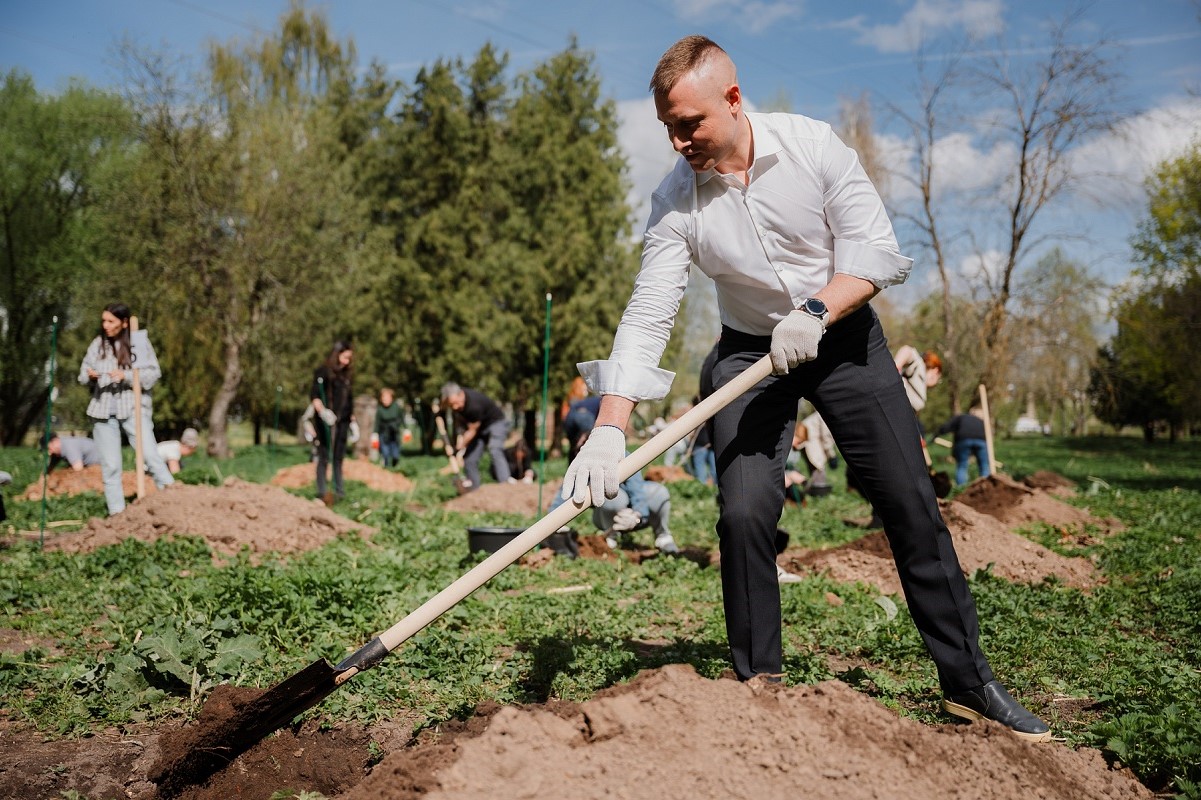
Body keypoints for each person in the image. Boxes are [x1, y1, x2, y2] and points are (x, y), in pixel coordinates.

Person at [561, 36, 1049, 742]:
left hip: (842, 336)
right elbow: (648, 313)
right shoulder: (676, 202)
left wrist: (816, 309)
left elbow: (875, 252)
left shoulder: (813, 146)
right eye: (667, 126)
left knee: (911, 505)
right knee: (744, 517)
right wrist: (609, 426)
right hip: (745, 354)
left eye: (689, 123)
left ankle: (968, 684)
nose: (677, 141)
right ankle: (759, 687)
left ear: (732, 99)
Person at [78, 303, 174, 515]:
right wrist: (90, 375)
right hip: (102, 411)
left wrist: (127, 376)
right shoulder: (98, 344)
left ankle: (173, 501)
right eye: (103, 320)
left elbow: (152, 373)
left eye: (110, 321)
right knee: (111, 466)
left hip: (132, 408)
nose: (105, 325)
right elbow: (83, 372)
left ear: (123, 322)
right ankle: (118, 515)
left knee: (151, 456)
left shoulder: (138, 342)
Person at [440, 383, 511, 489]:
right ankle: (474, 490)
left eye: (455, 403)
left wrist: (458, 448)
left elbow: (472, 431)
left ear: (460, 394)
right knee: (469, 459)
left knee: (495, 449)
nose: (454, 407)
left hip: (496, 423)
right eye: (451, 405)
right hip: (480, 428)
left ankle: (505, 485)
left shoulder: (474, 404)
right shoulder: (457, 402)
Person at [310, 340, 356, 500]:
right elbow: (315, 396)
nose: (346, 361)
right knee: (324, 455)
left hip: (343, 421)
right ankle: (322, 491)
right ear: (336, 355)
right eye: (344, 357)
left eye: (349, 358)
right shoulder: (323, 372)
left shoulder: (346, 376)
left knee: (338, 456)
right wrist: (323, 412)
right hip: (326, 421)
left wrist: (352, 420)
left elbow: (348, 400)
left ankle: (339, 491)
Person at [933, 400, 992, 486]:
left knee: (962, 466)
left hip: (964, 440)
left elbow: (947, 427)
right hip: (981, 441)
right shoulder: (981, 421)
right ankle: (986, 486)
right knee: (984, 465)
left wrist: (937, 434)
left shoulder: (961, 417)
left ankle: (961, 488)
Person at [563, 394, 601, 462]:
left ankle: (571, 469)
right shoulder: (603, 400)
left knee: (573, 446)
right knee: (587, 442)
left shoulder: (588, 400)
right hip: (584, 415)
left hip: (569, 416)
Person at [374, 387, 403, 469]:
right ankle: (385, 466)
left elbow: (401, 418)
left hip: (394, 432)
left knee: (395, 452)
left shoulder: (396, 407)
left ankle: (395, 465)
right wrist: (375, 434)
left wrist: (406, 429)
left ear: (391, 398)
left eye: (387, 397)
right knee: (385, 452)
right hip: (384, 432)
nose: (385, 399)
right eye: (383, 397)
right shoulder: (380, 410)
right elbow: (377, 422)